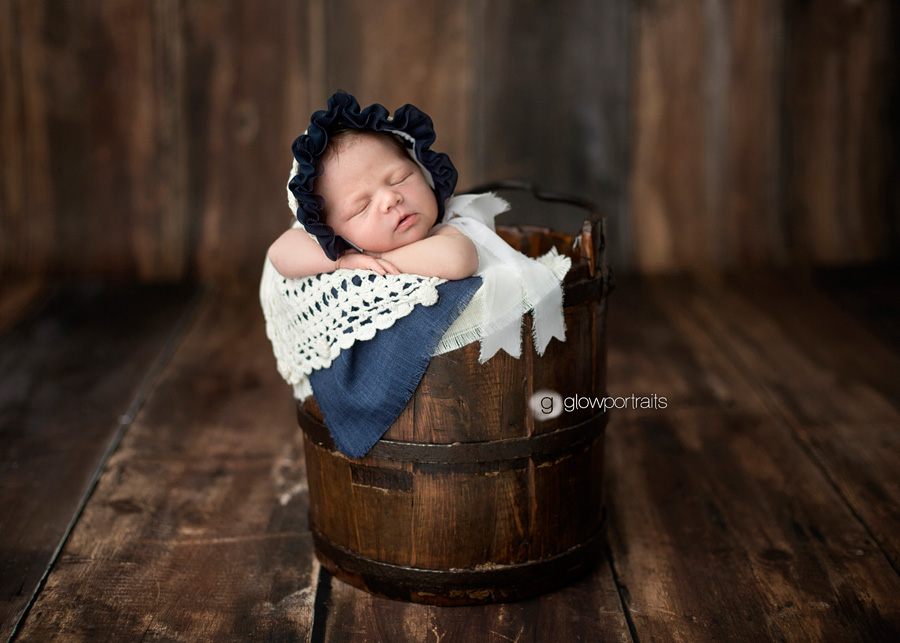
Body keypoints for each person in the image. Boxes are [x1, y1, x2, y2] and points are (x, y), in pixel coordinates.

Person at [268, 129, 478, 280]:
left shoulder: (445, 228)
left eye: (400, 178)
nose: (390, 198)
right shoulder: (341, 247)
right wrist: (342, 261)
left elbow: (458, 258)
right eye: (362, 207)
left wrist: (375, 257)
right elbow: (278, 253)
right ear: (329, 231)